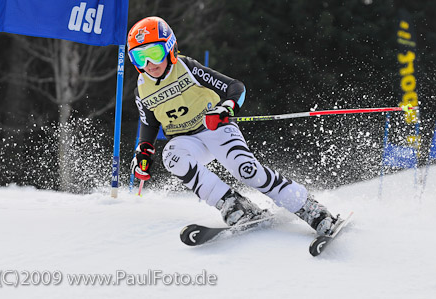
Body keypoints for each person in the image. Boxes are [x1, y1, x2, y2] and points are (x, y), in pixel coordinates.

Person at [128, 16, 337, 235]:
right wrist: (144, 150)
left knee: (246, 170)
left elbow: (236, 87)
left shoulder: (187, 68)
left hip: (214, 127)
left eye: (154, 53)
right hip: (185, 140)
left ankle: (310, 208)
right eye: (140, 57)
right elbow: (149, 122)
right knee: (171, 156)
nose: (149, 64)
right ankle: (234, 205)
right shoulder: (142, 89)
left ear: (170, 48)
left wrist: (225, 108)